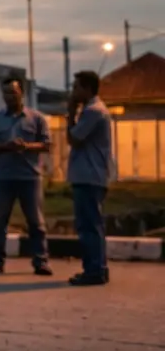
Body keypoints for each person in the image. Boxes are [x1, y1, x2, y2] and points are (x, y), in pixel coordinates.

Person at [0, 78, 53, 276]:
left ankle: (41, 261)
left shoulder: (36, 118)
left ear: (22, 93)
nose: (9, 97)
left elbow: (46, 144)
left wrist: (26, 146)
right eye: (5, 93)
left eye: (13, 92)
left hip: (29, 177)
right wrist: (6, 146)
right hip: (3, 177)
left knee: (36, 222)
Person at [66, 70, 113, 286]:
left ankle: (94, 270)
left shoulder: (93, 111)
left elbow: (74, 138)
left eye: (76, 87)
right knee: (92, 224)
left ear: (87, 89)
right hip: (91, 175)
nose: (73, 92)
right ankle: (98, 268)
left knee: (88, 226)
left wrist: (69, 113)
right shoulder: (94, 110)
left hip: (89, 176)